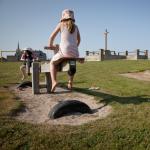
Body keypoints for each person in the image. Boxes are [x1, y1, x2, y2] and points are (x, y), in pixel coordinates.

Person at [47, 9, 81, 92]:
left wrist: (50, 45)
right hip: (74, 53)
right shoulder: (76, 27)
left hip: (64, 52)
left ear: (63, 17)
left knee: (52, 63)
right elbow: (79, 40)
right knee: (72, 63)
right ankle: (70, 82)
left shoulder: (61, 24)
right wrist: (75, 47)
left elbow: (51, 37)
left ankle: (54, 81)